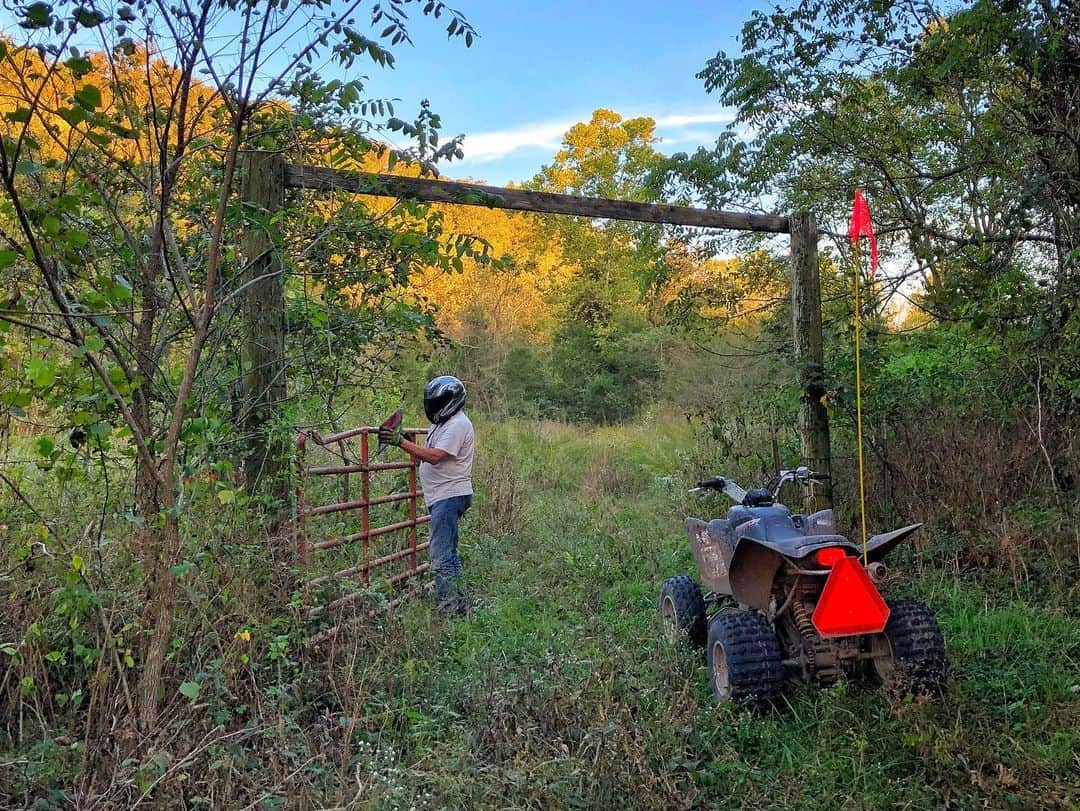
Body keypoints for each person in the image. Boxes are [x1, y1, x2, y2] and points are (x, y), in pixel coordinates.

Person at [379, 375, 475, 617]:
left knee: (441, 555)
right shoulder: (444, 424)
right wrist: (409, 442)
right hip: (444, 495)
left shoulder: (457, 425)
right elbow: (428, 453)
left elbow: (435, 456)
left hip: (449, 495)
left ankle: (449, 610)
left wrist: (400, 442)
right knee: (449, 553)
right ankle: (458, 606)